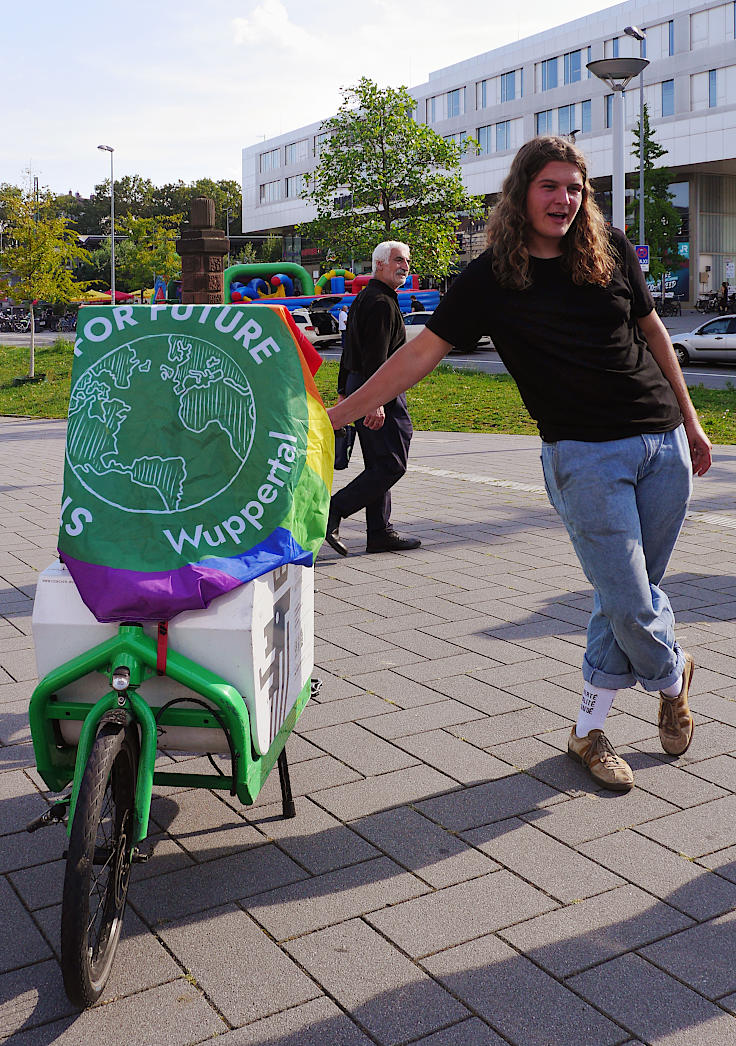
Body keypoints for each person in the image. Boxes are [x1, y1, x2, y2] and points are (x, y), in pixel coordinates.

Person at [328, 137, 712, 792]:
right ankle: (673, 676)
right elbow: (419, 356)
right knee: (628, 597)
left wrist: (694, 421)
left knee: (625, 600)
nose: (564, 199)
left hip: (663, 445)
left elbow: (652, 332)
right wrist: (334, 415)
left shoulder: (610, 248)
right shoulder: (491, 278)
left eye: (574, 187)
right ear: (521, 191)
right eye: (550, 186)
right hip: (583, 456)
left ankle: (587, 732)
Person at [325, 241, 422, 556]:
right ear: (379, 264)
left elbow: (349, 348)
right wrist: (375, 400)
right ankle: (333, 511)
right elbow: (375, 357)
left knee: (378, 463)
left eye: (406, 261)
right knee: (391, 465)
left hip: (362, 384)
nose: (404, 266)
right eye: (398, 260)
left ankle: (379, 532)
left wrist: (345, 391)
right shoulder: (381, 302)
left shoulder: (364, 298)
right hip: (379, 388)